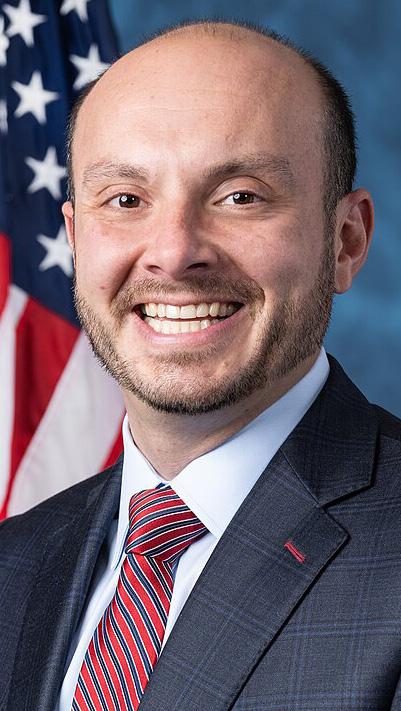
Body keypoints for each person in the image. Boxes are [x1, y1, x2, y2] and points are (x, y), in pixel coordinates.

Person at [1, 18, 401, 711]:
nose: (174, 251)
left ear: (345, 240)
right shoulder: (15, 562)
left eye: (240, 196)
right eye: (125, 200)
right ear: (74, 240)